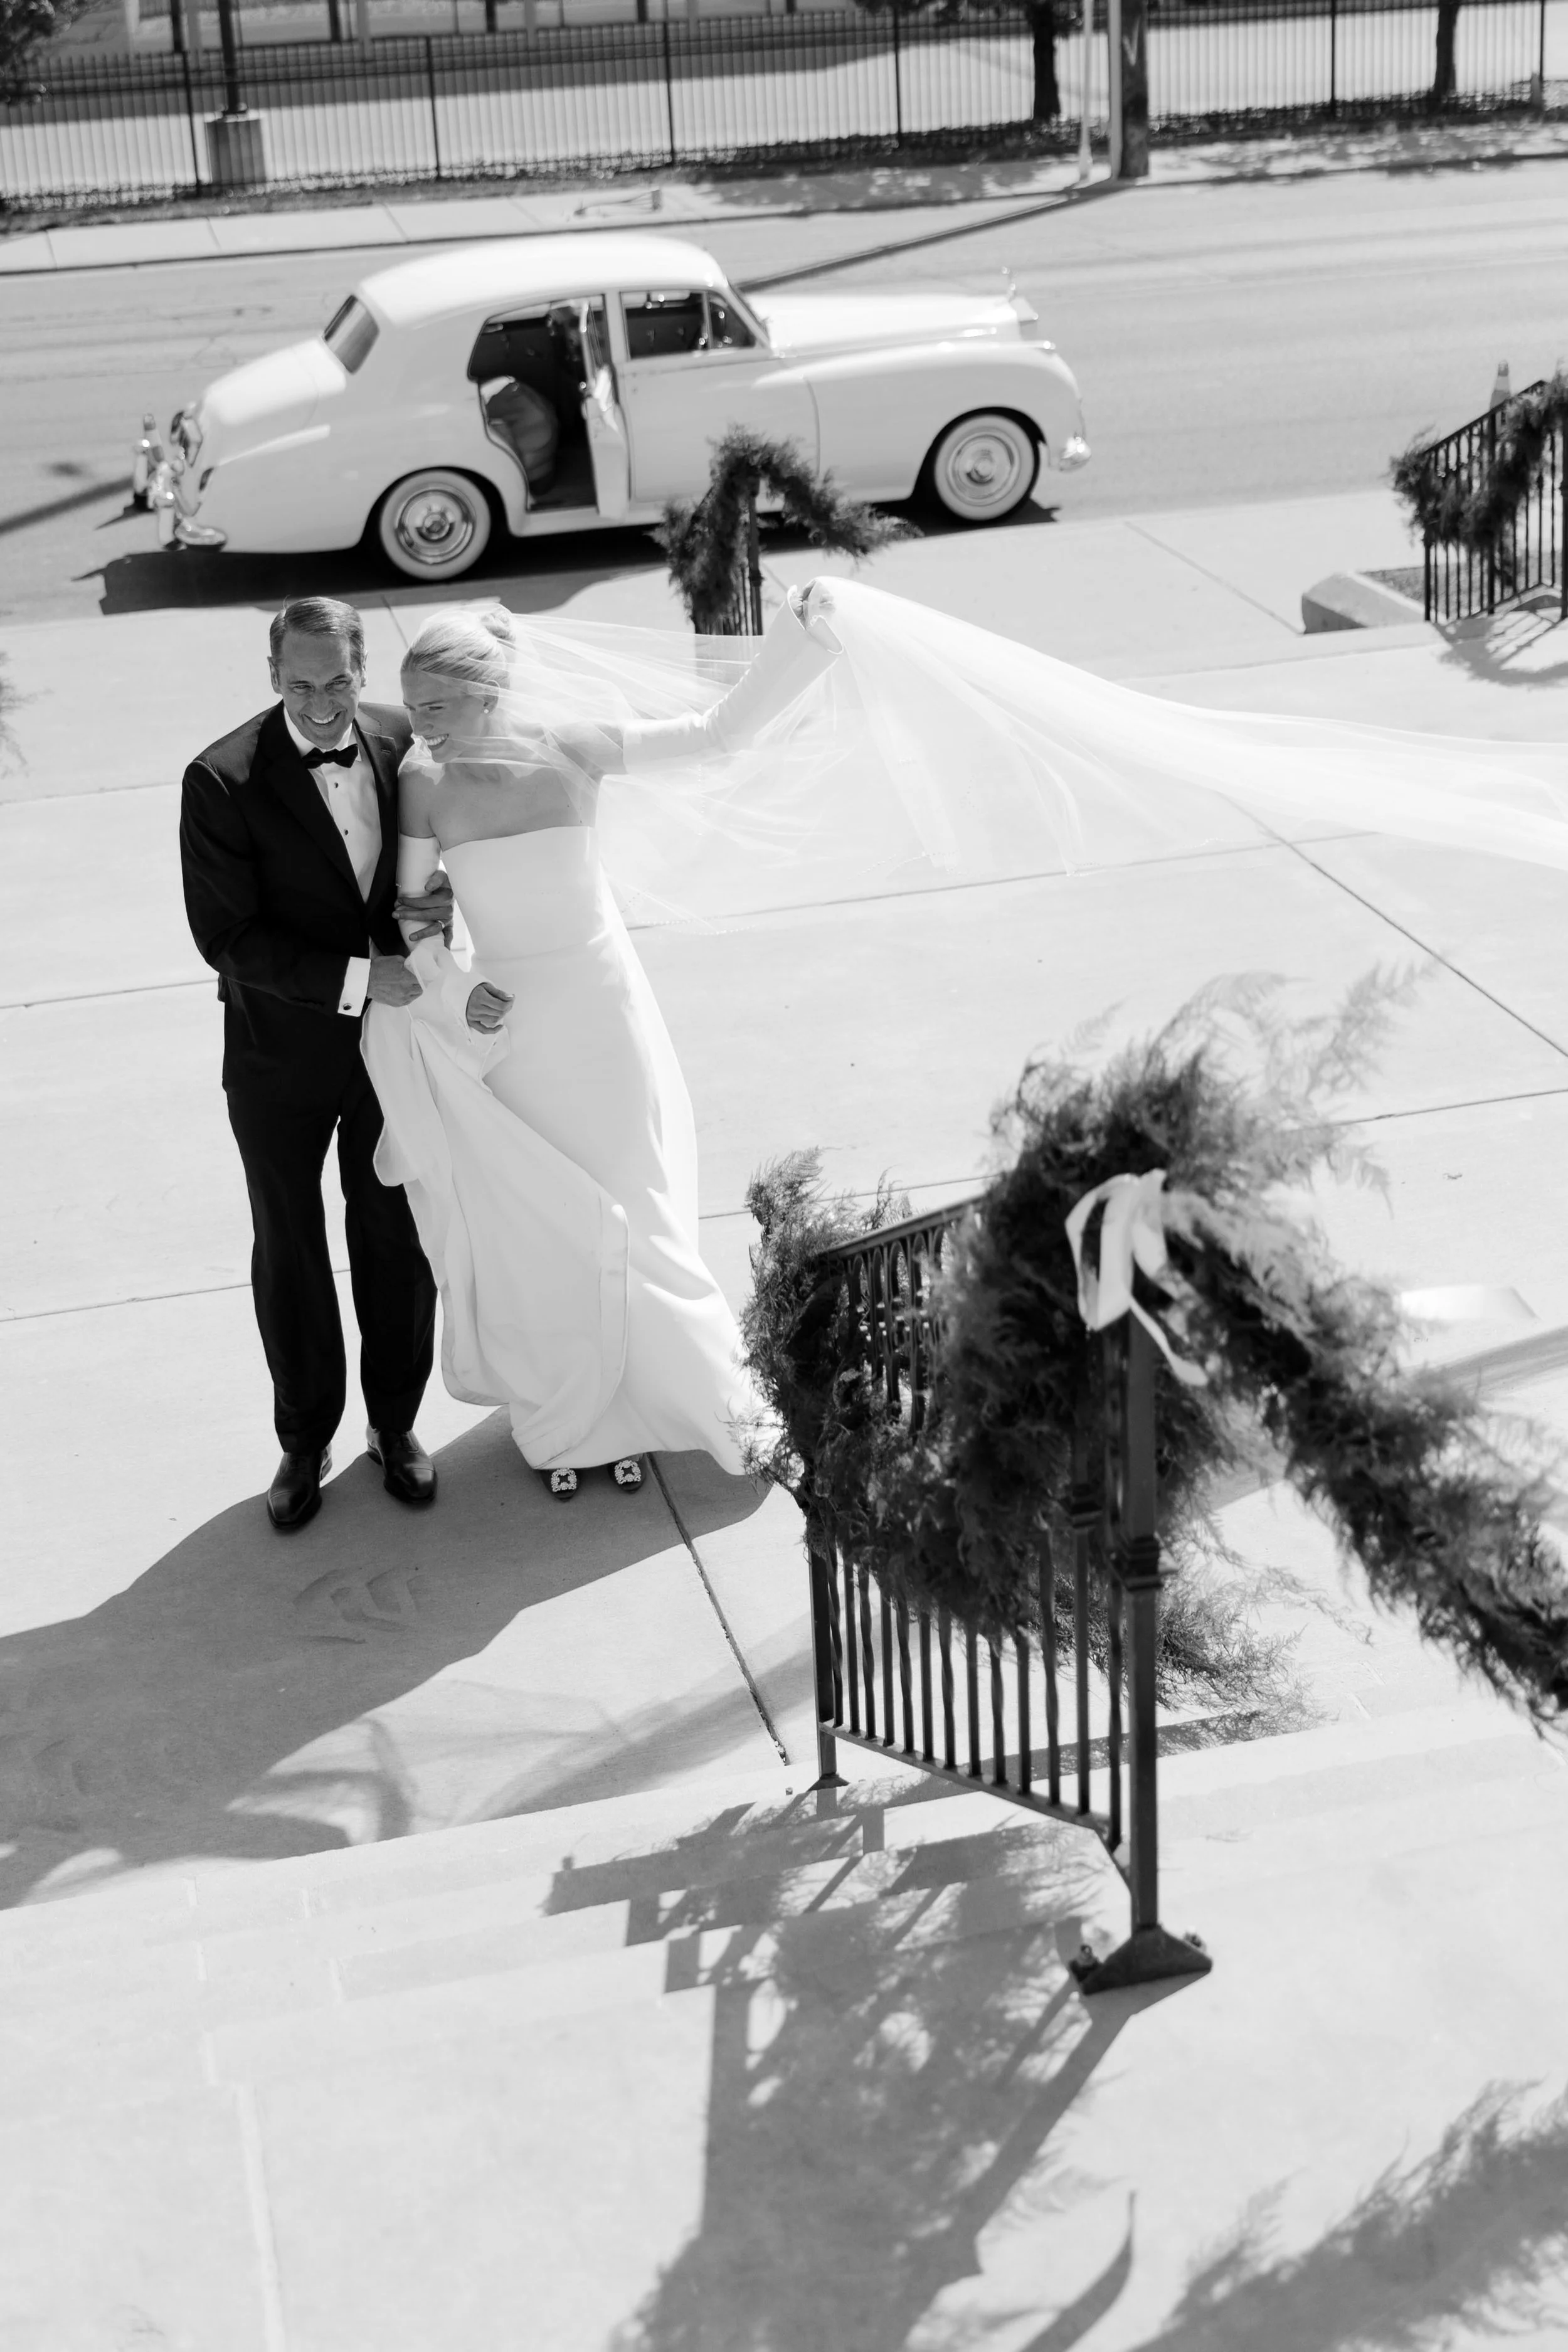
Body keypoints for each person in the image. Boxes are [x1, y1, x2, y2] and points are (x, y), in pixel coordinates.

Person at [363, 590, 840, 1499]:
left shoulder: (572, 745)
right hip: (514, 1027)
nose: (420, 727)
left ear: (489, 692)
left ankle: (694, 1403)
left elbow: (716, 733)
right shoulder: (424, 781)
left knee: (635, 1203)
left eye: (437, 706)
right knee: (553, 1223)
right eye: (414, 706)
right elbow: (416, 913)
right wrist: (457, 990)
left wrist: (802, 641)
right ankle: (580, 1415)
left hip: (598, 1011)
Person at [179, 595, 455, 1532]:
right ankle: (304, 1439)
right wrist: (360, 978)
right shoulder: (219, 779)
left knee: (393, 1232)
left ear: (362, 669)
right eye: (301, 687)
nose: (324, 704)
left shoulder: (403, 740)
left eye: (338, 682)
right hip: (277, 1056)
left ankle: (396, 1423)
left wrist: (442, 923)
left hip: (390, 1048)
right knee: (289, 1244)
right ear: (273, 677)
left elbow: (440, 859)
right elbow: (226, 937)